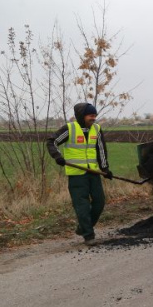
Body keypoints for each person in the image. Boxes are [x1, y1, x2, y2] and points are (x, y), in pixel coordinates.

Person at [47, 103, 112, 245]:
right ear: (82, 116)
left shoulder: (97, 129)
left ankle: (83, 227)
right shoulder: (70, 129)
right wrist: (57, 156)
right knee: (82, 205)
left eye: (95, 115)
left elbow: (101, 150)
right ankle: (89, 236)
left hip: (93, 172)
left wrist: (105, 169)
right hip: (76, 174)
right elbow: (52, 141)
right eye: (91, 115)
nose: (93, 118)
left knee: (99, 202)